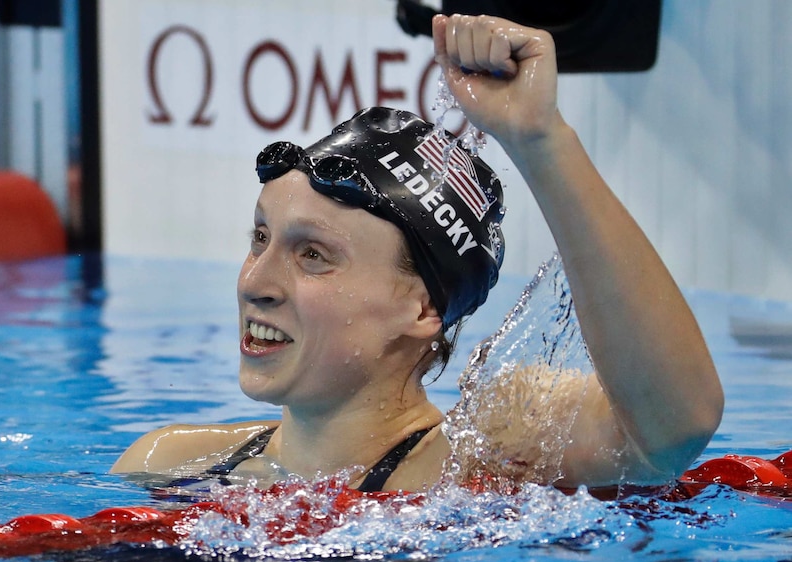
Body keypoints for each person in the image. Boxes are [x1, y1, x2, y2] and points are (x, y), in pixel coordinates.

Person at [111, 14, 724, 492]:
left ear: (423, 307)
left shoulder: (482, 456)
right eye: (261, 238)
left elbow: (674, 428)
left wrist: (541, 140)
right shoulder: (172, 462)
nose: (255, 283)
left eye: (314, 255)